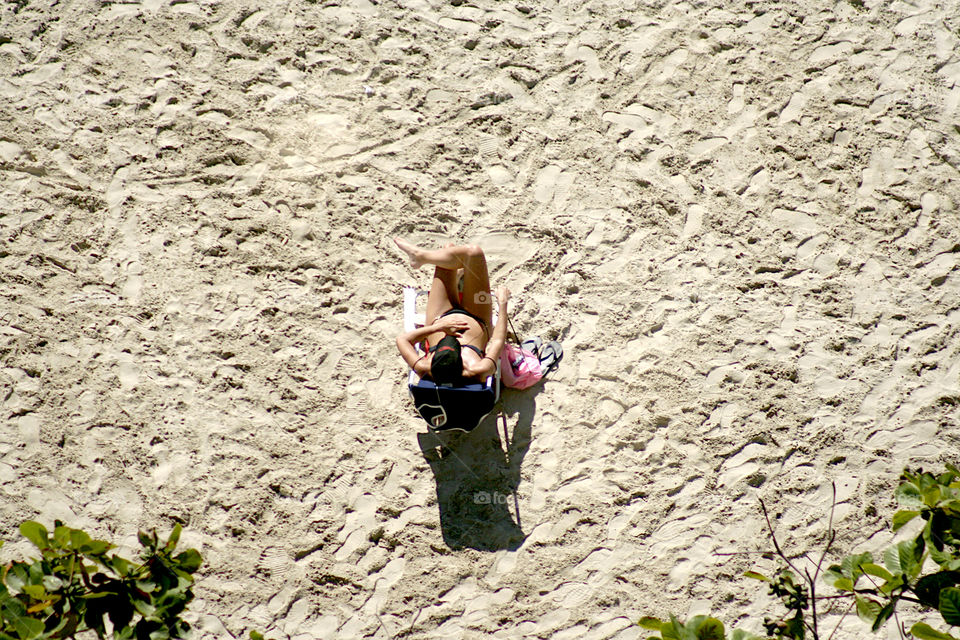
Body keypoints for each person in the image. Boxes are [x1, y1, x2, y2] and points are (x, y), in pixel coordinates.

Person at [394, 238, 510, 384]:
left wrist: (438, 327)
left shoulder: (424, 367)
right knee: (474, 253)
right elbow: (499, 340)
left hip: (440, 315)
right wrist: (503, 303)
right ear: (462, 363)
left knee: (448, 249)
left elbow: (402, 340)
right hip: (477, 316)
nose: (453, 338)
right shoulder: (478, 369)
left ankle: (425, 259)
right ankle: (432, 262)